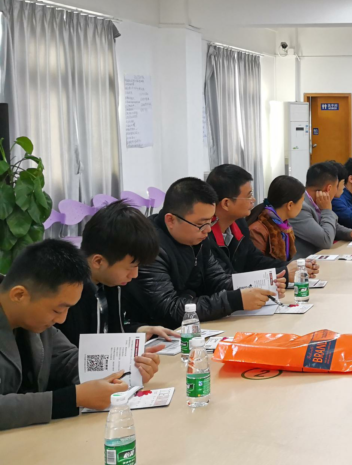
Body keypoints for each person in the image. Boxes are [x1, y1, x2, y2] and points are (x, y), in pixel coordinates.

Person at [1, 240, 161, 430]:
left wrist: (129, 369)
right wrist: (72, 398)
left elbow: (70, 360)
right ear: (19, 295)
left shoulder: (36, 323)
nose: (61, 319)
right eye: (57, 310)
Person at [124, 177, 273, 329]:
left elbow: (217, 279)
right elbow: (169, 310)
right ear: (171, 220)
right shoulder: (149, 247)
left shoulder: (197, 238)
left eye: (211, 221)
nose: (208, 230)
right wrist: (234, 300)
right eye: (201, 224)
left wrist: (262, 286)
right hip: (159, 333)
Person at [56, 201, 176, 347]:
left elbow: (110, 330)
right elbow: (74, 349)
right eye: (130, 267)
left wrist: (139, 330)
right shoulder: (68, 296)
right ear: (98, 261)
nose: (134, 275)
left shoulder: (111, 283)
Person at [205, 165, 317, 285]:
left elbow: (255, 261)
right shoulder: (204, 235)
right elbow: (224, 281)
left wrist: (293, 266)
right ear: (226, 203)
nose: (253, 199)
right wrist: (284, 273)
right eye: (248, 195)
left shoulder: (239, 224)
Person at [289, 161, 352, 257]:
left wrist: (350, 233)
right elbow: (326, 241)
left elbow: (331, 226)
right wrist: (327, 211)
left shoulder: (315, 201)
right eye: (336, 186)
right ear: (329, 188)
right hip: (302, 262)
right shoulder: (300, 207)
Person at [247, 175, 306, 261]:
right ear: (290, 205)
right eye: (301, 202)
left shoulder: (284, 226)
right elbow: (257, 265)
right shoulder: (257, 231)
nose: (301, 207)